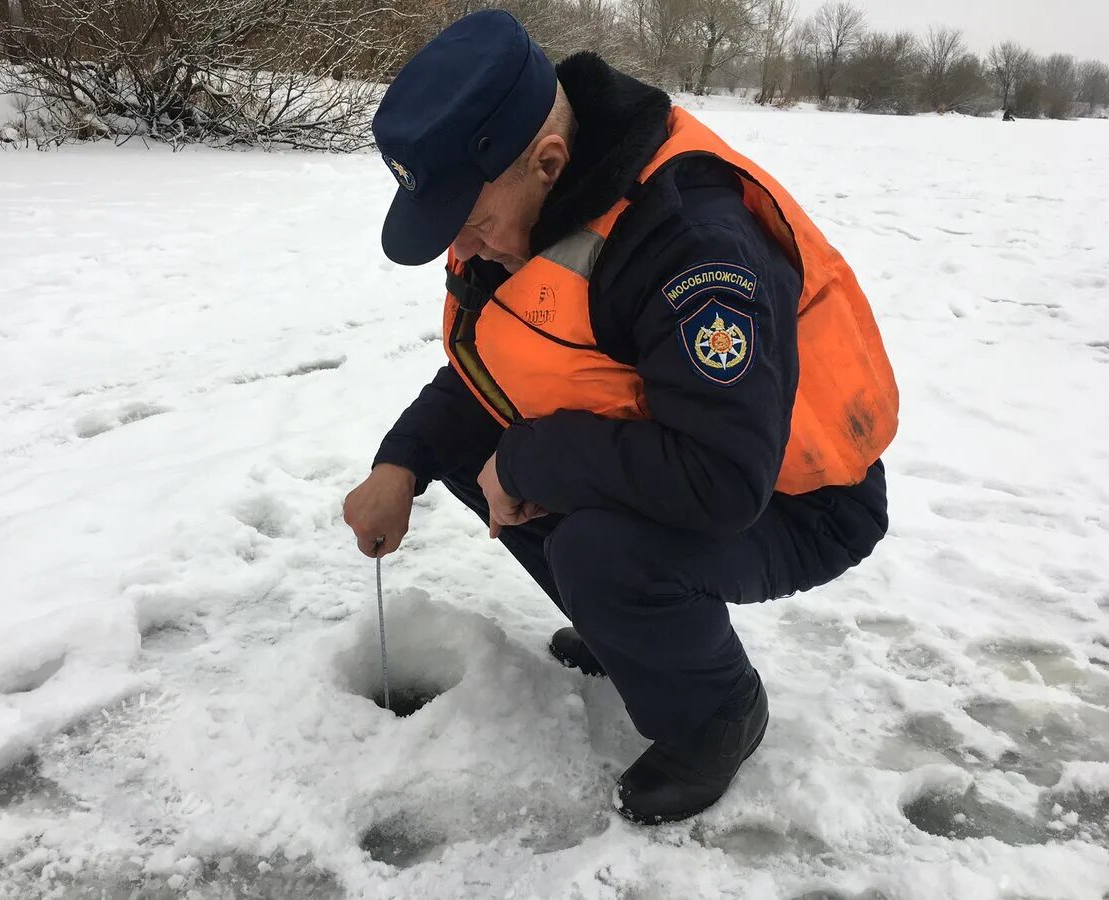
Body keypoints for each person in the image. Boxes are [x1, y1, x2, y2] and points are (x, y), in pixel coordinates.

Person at [343, 10, 898, 825]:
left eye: (470, 223)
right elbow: (499, 369)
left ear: (548, 160)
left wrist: (530, 461)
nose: (466, 247)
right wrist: (400, 461)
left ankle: (717, 712)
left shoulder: (694, 244)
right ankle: (629, 634)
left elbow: (720, 480)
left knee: (598, 550)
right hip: (696, 459)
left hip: (797, 497)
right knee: (469, 452)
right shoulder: (520, 214)